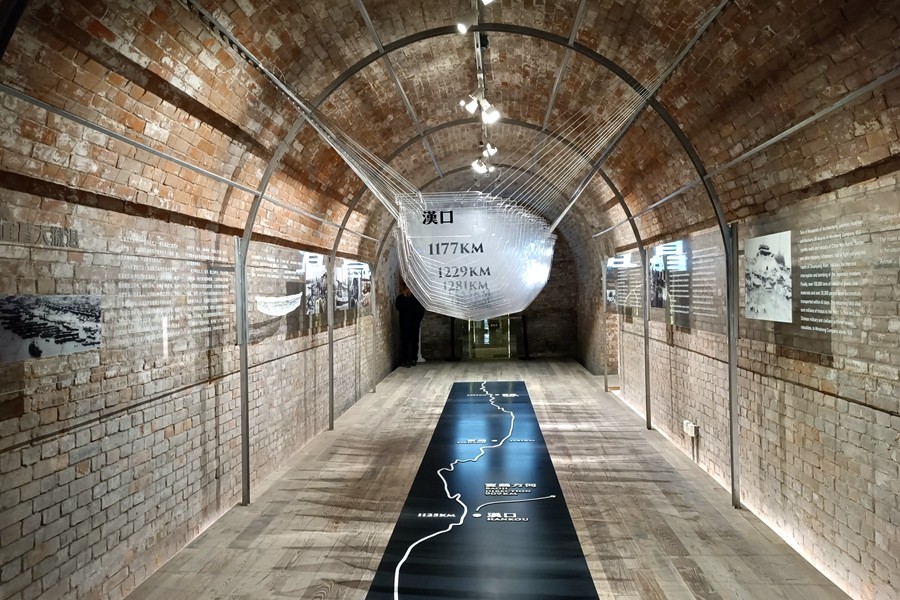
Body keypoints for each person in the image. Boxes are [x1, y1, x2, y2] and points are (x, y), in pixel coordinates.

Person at [395, 283, 425, 368]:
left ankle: (413, 359)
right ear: (404, 289)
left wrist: (418, 320)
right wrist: (404, 297)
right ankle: (406, 360)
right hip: (404, 324)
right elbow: (398, 307)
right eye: (407, 289)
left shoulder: (416, 299)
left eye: (410, 289)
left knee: (415, 341)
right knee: (405, 342)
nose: (409, 291)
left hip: (414, 323)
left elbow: (421, 311)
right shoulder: (400, 298)